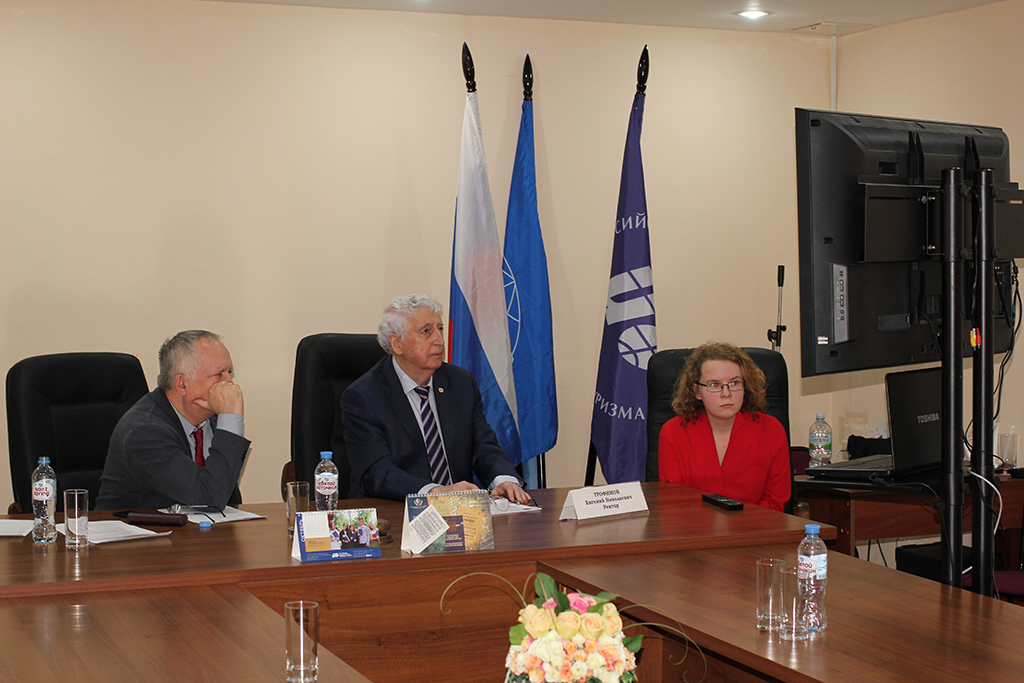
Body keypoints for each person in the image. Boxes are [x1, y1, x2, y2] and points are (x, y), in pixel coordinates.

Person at [342, 294, 533, 503]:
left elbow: (483, 446)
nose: (439, 340)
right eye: (426, 331)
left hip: (460, 512)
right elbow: (377, 473)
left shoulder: (460, 383)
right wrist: (434, 492)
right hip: (396, 510)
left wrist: (503, 479)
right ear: (397, 344)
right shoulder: (364, 396)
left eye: (440, 329)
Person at [96, 330, 250, 510]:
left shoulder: (213, 420)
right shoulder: (144, 431)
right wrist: (231, 418)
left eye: (229, 372)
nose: (229, 383)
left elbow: (228, 497)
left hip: (194, 527)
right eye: (219, 374)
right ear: (182, 384)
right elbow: (208, 500)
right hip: (135, 527)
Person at [658, 341, 790, 511]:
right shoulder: (673, 432)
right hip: (694, 526)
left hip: (756, 525)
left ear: (746, 386)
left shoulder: (771, 430)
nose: (726, 394)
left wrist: (736, 523)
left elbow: (775, 502)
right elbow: (675, 504)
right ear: (697, 391)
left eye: (734, 383)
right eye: (714, 385)